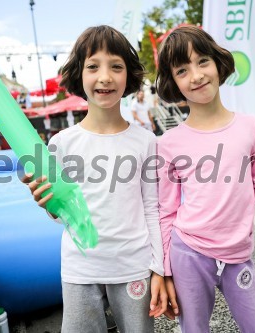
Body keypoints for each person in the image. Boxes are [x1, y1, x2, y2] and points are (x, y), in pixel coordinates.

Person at [155, 26, 255, 332]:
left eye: (202, 61)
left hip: (238, 254)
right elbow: (167, 212)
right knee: (194, 329)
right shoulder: (168, 143)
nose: (196, 75)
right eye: (182, 69)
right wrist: (165, 270)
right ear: (173, 82)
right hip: (188, 253)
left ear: (218, 64)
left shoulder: (251, 128)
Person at [22, 25, 167, 333]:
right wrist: (47, 202)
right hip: (80, 267)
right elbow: (59, 213)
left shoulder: (145, 141)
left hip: (134, 267)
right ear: (79, 74)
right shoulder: (62, 144)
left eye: (116, 66)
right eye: (93, 66)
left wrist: (159, 269)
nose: (105, 76)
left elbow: (153, 209)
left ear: (129, 76)